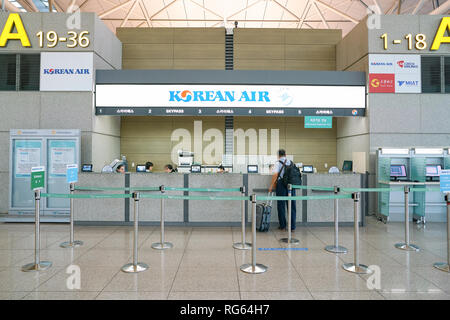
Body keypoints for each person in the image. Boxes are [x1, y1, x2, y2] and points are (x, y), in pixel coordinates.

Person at [268, 149, 297, 232]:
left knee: (281, 206)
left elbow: (275, 175)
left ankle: (283, 226)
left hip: (281, 185)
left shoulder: (277, 163)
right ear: (285, 154)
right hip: (291, 186)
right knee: (292, 206)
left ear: (278, 155)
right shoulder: (291, 162)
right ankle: (292, 227)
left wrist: (271, 186)